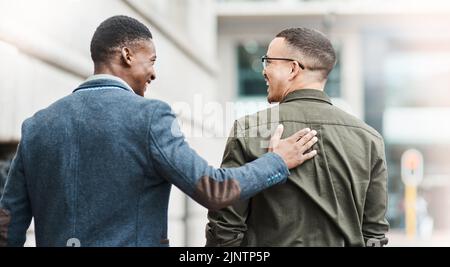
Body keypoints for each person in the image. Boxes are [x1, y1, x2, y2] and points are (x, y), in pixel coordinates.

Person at [0, 16, 318, 247]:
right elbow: (214, 190)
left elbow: (7, 228)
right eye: (151, 60)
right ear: (126, 55)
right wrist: (277, 160)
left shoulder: (37, 125)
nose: (153, 73)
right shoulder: (150, 116)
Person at [206, 27, 389, 247]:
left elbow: (225, 227)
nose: (264, 71)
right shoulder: (369, 140)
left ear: (293, 69)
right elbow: (374, 234)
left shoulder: (249, 129)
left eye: (269, 62)